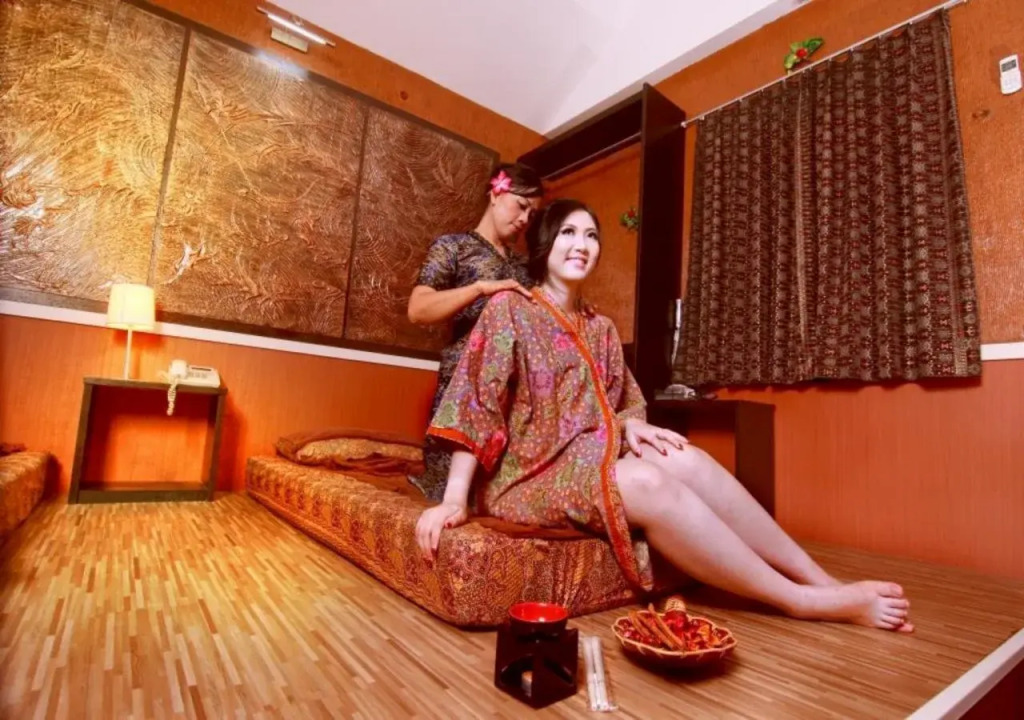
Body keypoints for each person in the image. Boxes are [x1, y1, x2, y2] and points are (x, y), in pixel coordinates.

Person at [414, 199, 914, 632]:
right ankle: (800, 600)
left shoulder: (601, 327)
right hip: (529, 474)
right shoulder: (509, 309)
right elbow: (476, 401)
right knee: (647, 481)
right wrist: (455, 499)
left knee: (684, 457)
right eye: (568, 232)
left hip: (591, 455)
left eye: (591, 236)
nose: (581, 244)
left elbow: (622, 399)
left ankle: (822, 580)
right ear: (545, 244)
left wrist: (632, 423)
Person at [407, 163, 544, 501]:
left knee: (511, 493)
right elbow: (418, 309)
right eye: (521, 206)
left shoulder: (526, 267)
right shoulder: (453, 247)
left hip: (513, 393)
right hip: (463, 386)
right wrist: (480, 288)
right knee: (457, 492)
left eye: (532, 214)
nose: (525, 219)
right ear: (496, 192)